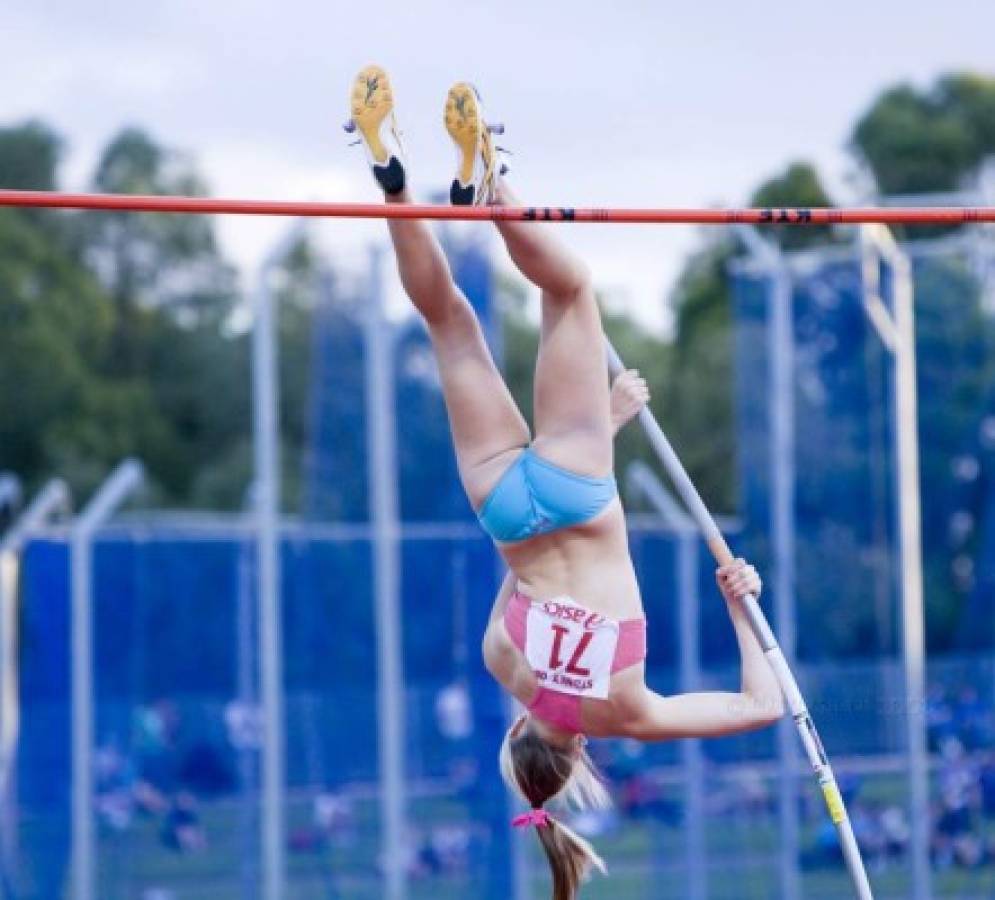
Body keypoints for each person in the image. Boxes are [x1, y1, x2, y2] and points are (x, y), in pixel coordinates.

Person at [345, 65, 784, 899]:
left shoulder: (628, 715)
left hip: (578, 493)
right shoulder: (501, 664)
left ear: (574, 752)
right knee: (451, 326)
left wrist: (737, 600)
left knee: (569, 289)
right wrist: (601, 424)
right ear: (517, 731)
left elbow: (758, 705)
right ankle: (396, 184)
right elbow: (520, 579)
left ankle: (493, 181)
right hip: (507, 506)